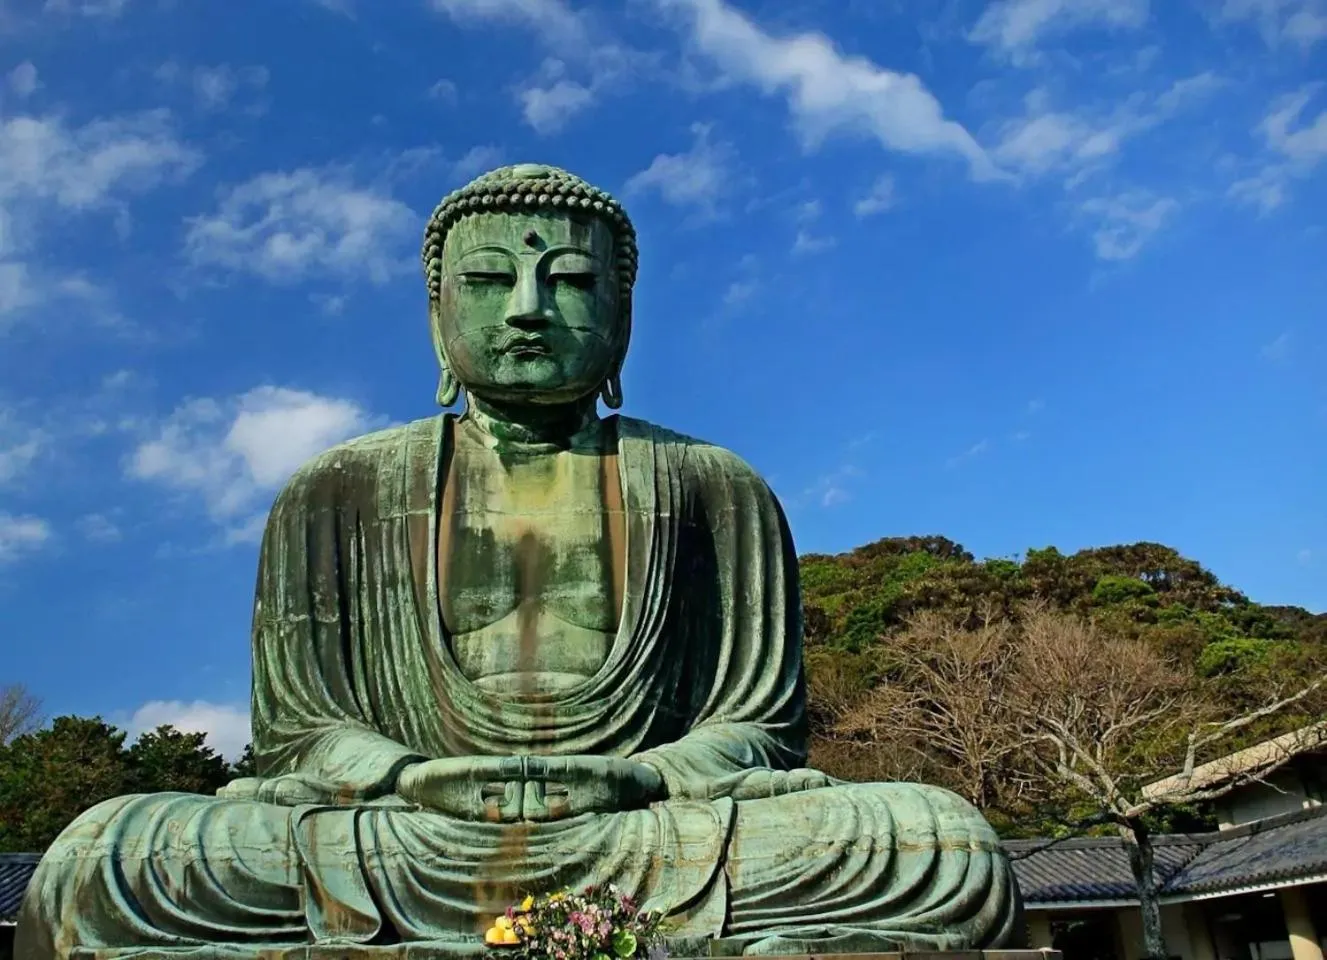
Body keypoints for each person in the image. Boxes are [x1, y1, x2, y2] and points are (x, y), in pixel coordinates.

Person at [17, 164, 1023, 960]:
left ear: (622, 317)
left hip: (652, 834)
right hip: (403, 836)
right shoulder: (335, 492)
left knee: (934, 845)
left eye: (571, 281)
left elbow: (755, 726)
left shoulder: (714, 487)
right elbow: (302, 735)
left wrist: (636, 779)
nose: (530, 308)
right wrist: (411, 777)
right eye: (491, 281)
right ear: (437, 316)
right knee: (106, 857)